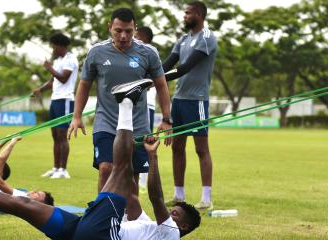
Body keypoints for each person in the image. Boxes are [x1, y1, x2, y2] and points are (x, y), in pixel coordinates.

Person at [0, 79, 200, 239]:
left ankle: (126, 102)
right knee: (22, 204)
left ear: (184, 226)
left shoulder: (171, 234)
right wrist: (142, 160)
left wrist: (151, 161)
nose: (168, 212)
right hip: (85, 230)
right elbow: (132, 195)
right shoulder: (146, 226)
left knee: (119, 168)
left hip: (102, 235)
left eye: (174, 213)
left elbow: (154, 197)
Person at [68, 8, 172, 205]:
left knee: (131, 176)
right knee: (106, 168)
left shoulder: (148, 53)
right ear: (110, 28)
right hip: (106, 122)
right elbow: (84, 84)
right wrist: (77, 116)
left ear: (135, 29)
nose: (123, 36)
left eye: (128, 31)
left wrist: (166, 119)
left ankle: (129, 220)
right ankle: (105, 216)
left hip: (138, 124)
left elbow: (161, 85)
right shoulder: (96, 52)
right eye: (118, 31)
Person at [162, 1, 218, 210]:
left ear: (199, 15)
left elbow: (185, 67)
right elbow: (169, 63)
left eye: (188, 13)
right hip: (179, 100)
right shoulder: (183, 39)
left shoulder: (207, 38)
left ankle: (206, 198)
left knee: (201, 149)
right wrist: (151, 73)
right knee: (177, 147)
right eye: (184, 13)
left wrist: (157, 80)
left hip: (197, 101)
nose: (184, 16)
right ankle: (179, 195)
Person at [34, 32, 78, 179]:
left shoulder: (70, 59)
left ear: (61, 46)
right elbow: (53, 80)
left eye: (53, 46)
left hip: (65, 100)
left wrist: (48, 67)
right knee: (55, 136)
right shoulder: (59, 60)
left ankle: (63, 170)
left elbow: (64, 78)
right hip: (55, 100)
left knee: (61, 136)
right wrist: (40, 89)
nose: (52, 49)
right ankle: (55, 168)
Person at [134, 26, 156, 191]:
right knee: (135, 142)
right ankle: (139, 178)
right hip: (137, 104)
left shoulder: (148, 51)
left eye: (134, 34)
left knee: (144, 142)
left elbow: (151, 81)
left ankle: (143, 180)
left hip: (146, 104)